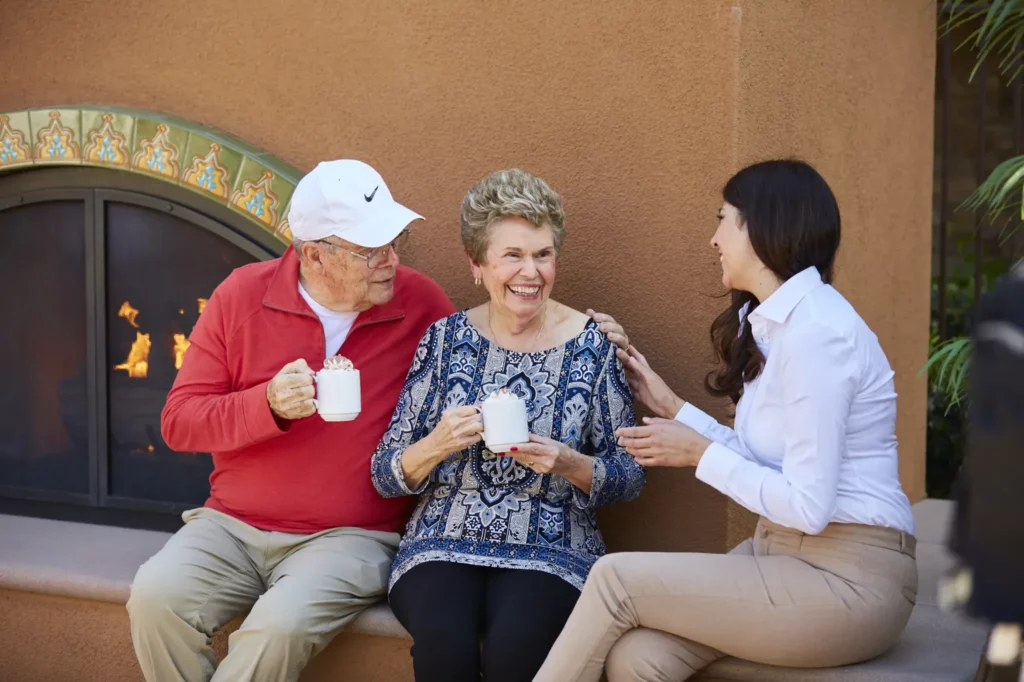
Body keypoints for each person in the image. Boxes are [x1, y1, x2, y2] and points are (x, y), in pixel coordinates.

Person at [533, 159, 918, 682]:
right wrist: (673, 409)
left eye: (723, 220)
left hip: (848, 578)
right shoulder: (776, 325)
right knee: (638, 659)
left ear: (761, 228)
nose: (714, 239)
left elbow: (807, 506)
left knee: (614, 577)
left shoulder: (818, 334)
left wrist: (699, 454)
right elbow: (769, 462)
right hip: (778, 556)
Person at [127, 159, 457, 682]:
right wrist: (267, 405)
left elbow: (477, 372)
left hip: (352, 536)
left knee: (275, 629)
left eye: (394, 242)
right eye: (371, 250)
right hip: (231, 527)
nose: (391, 260)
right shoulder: (240, 296)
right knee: (154, 599)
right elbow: (179, 422)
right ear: (314, 255)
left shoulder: (422, 304)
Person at [370, 168, 647, 682]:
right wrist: (435, 445)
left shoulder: (592, 344)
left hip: (554, 544)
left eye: (543, 254)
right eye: (513, 255)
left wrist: (569, 463)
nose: (531, 272)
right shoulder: (444, 340)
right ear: (477, 265)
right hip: (443, 537)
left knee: (516, 651)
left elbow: (629, 474)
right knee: (443, 642)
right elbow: (385, 473)